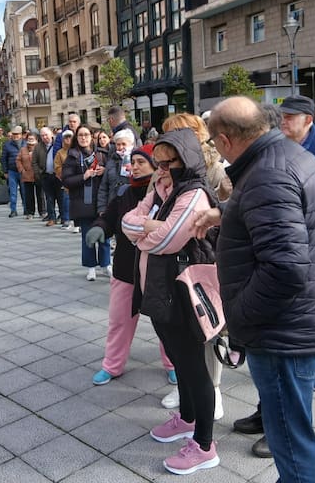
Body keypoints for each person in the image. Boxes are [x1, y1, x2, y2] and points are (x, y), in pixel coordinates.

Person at [194, 96, 315, 483]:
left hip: (281, 331)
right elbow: (282, 214)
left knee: (290, 439)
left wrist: (239, 315)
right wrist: (224, 212)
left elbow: (285, 268)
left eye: (212, 142)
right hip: (293, 321)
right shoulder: (284, 156)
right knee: (291, 431)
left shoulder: (266, 174)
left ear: (224, 140)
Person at [235, 93, 315, 459]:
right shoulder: (274, 147)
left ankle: (287, 424)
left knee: (294, 346)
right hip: (273, 251)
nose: (284, 121)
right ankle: (266, 414)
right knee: (271, 344)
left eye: (291, 117)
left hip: (308, 254)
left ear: (309, 119)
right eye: (282, 116)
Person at [122, 128, 219, 476]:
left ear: (186, 160)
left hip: (182, 293)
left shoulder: (193, 194)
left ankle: (205, 445)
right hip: (159, 291)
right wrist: (148, 228)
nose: (161, 170)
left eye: (168, 163)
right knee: (179, 361)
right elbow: (127, 221)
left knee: (193, 367)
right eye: (158, 162)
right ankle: (188, 419)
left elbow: (168, 241)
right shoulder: (163, 189)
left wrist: (145, 231)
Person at [156, 112, 231, 420]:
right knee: (180, 330)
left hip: (202, 257)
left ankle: (213, 390)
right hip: (171, 263)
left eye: (175, 134)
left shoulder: (211, 167)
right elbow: (146, 210)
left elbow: (221, 207)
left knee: (207, 327)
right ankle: (187, 387)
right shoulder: (164, 168)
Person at [86, 143, 176, 386]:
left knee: (166, 322)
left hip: (157, 272)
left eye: (141, 162)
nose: (134, 167)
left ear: (156, 166)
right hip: (125, 271)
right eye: (133, 162)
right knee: (119, 321)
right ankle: (112, 365)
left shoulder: (168, 195)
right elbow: (109, 217)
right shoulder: (124, 194)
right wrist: (99, 227)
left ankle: (173, 363)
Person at [61, 125, 109, 281]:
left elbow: (111, 175)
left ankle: (106, 264)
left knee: (105, 234)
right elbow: (66, 180)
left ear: (91, 137)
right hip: (83, 202)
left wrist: (104, 171)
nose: (83, 138)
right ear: (77, 137)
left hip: (101, 201)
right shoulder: (72, 156)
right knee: (88, 236)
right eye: (80, 135)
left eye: (86, 135)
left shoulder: (101, 154)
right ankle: (91, 267)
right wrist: (84, 176)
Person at [96, 128, 135, 215]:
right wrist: (102, 209)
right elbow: (103, 187)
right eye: (118, 144)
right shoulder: (111, 162)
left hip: (132, 207)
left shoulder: (137, 161)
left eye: (124, 144)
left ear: (131, 144)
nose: (120, 147)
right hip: (113, 207)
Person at [34, 127, 62, 227]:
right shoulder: (38, 147)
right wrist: (38, 173)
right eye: (42, 135)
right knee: (49, 198)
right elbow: (34, 162)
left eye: (46, 135)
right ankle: (52, 218)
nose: (44, 137)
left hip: (57, 175)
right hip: (45, 175)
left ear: (51, 134)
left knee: (61, 197)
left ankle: (63, 217)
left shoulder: (58, 144)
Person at [1, 125, 24, 217]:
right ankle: (13, 210)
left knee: (24, 191)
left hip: (23, 171)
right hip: (12, 171)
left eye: (17, 134)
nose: (15, 136)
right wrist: (5, 171)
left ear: (21, 134)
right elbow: (3, 159)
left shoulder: (25, 144)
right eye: (14, 134)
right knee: (12, 192)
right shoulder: (7, 145)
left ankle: (26, 209)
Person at [17, 130, 38, 219]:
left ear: (36, 139)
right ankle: (30, 212)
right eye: (29, 139)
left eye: (32, 139)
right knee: (29, 195)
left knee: (40, 195)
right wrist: (22, 170)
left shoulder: (39, 148)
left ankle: (42, 211)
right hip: (27, 175)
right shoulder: (23, 149)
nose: (30, 140)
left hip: (37, 175)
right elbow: (18, 160)